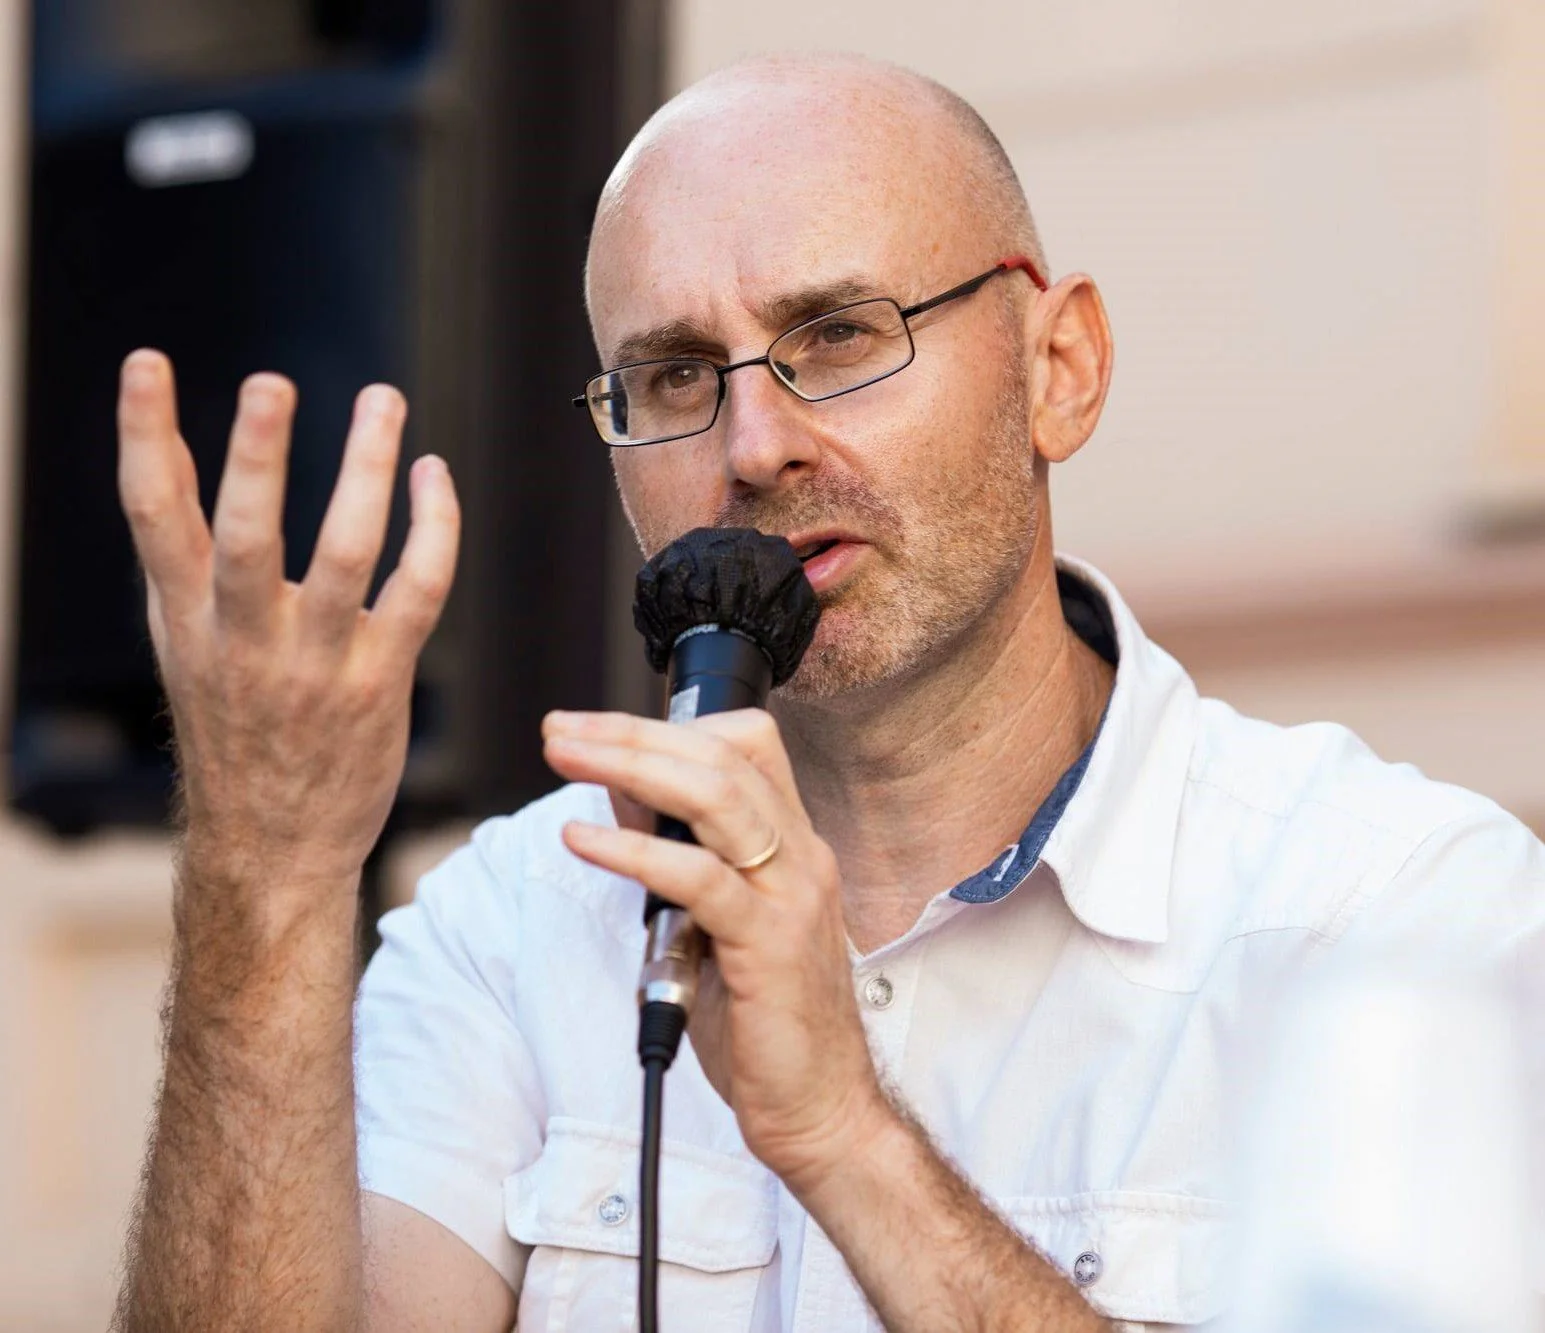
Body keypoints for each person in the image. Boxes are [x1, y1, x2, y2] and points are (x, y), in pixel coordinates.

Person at [111, 52, 1543, 1333]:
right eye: (671, 376)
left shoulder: (1401, 918)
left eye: (841, 337)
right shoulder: (513, 928)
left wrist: (848, 1136)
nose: (754, 446)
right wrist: (272, 868)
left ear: (1061, 368)